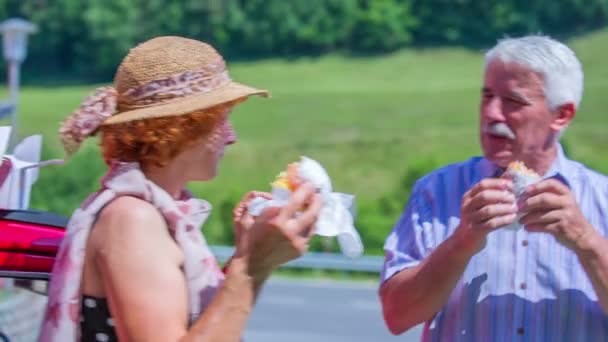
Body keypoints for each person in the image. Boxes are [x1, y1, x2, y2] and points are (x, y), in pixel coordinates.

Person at [39, 36, 322, 342]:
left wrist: (245, 254)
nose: (232, 137)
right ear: (182, 128)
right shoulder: (132, 220)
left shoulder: (154, 212)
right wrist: (251, 267)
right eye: (222, 120)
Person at [379, 35, 608, 341]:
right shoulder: (436, 192)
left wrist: (587, 241)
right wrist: (461, 242)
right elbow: (397, 315)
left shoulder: (601, 199)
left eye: (512, 101)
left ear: (561, 115)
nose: (492, 113)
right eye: (487, 96)